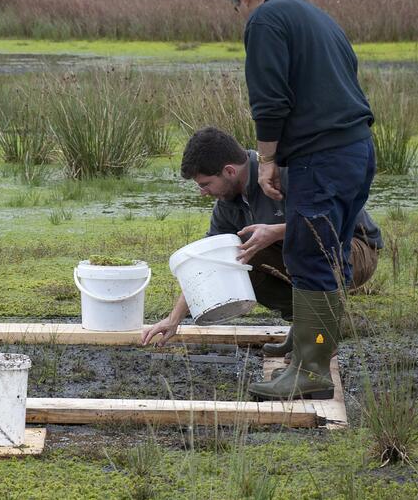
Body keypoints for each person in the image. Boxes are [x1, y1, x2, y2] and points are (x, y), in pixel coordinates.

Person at [223, 0, 376, 400]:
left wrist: (268, 159)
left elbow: (269, 99)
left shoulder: (265, 19)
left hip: (322, 157)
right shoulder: (318, 16)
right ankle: (310, 341)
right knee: (331, 255)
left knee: (309, 256)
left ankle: (311, 370)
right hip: (356, 151)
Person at [141, 128, 381, 361]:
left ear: (229, 171)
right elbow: (208, 265)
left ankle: (320, 338)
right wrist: (174, 320)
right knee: (236, 257)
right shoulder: (227, 204)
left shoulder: (286, 170)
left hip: (354, 248)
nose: (202, 192)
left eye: (205, 184)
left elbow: (331, 223)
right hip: (307, 253)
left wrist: (276, 232)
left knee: (272, 248)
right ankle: (304, 326)